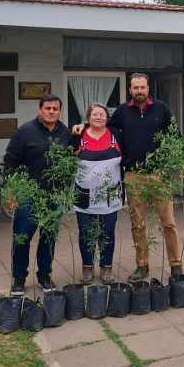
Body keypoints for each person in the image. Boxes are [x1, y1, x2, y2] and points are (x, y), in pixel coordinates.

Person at [74, 73, 181, 283]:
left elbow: (174, 136)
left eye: (142, 87)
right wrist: (83, 127)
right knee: (137, 224)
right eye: (135, 88)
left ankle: (176, 264)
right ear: (130, 89)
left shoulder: (162, 108)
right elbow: (104, 126)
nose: (139, 91)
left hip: (159, 175)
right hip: (133, 175)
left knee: (168, 223)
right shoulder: (123, 111)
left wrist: (175, 163)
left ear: (148, 88)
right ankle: (142, 265)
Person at [4, 94, 72, 295]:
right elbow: (10, 162)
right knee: (22, 237)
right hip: (28, 195)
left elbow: (70, 158)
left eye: (55, 109)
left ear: (60, 111)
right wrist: (12, 191)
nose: (51, 112)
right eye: (48, 108)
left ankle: (44, 275)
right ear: (40, 109)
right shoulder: (25, 131)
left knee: (48, 237)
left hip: (54, 195)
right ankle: (18, 278)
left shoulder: (64, 132)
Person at [73, 103, 123, 285]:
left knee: (107, 233)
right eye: (94, 114)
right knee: (86, 233)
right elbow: (67, 158)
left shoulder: (116, 135)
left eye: (102, 114)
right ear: (88, 118)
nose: (99, 117)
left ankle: (106, 267)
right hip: (83, 194)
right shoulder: (78, 136)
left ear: (107, 118)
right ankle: (87, 268)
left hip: (110, 194)